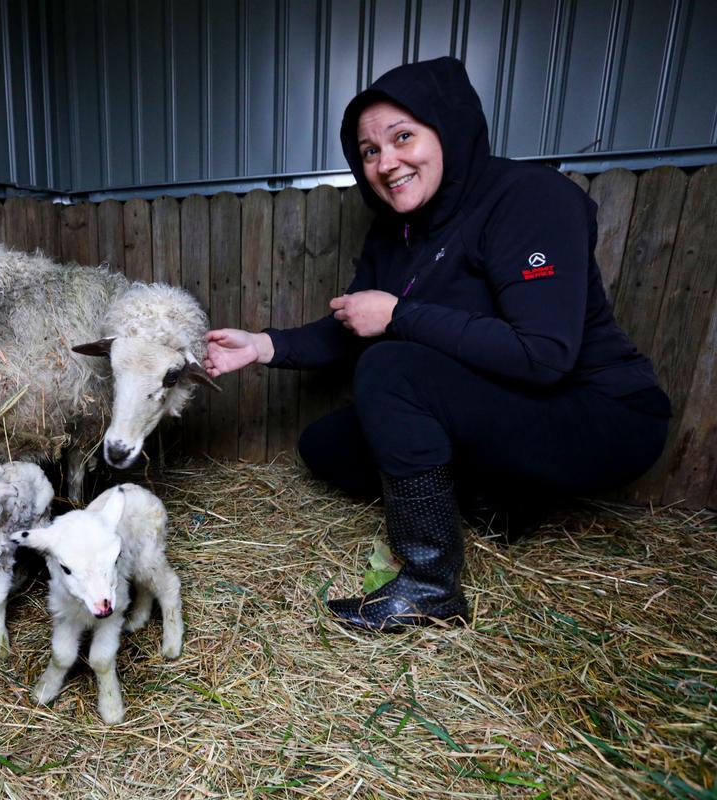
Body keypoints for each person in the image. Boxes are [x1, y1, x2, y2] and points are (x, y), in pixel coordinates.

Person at [204, 57, 669, 633]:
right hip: (509, 408)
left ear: (448, 129)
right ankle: (502, 505)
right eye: (369, 151)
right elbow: (356, 323)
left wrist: (400, 314)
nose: (386, 162)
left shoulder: (529, 198)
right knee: (329, 445)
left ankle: (430, 586)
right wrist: (261, 345)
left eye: (403, 137)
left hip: (603, 415)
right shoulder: (396, 231)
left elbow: (543, 355)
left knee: (391, 367)